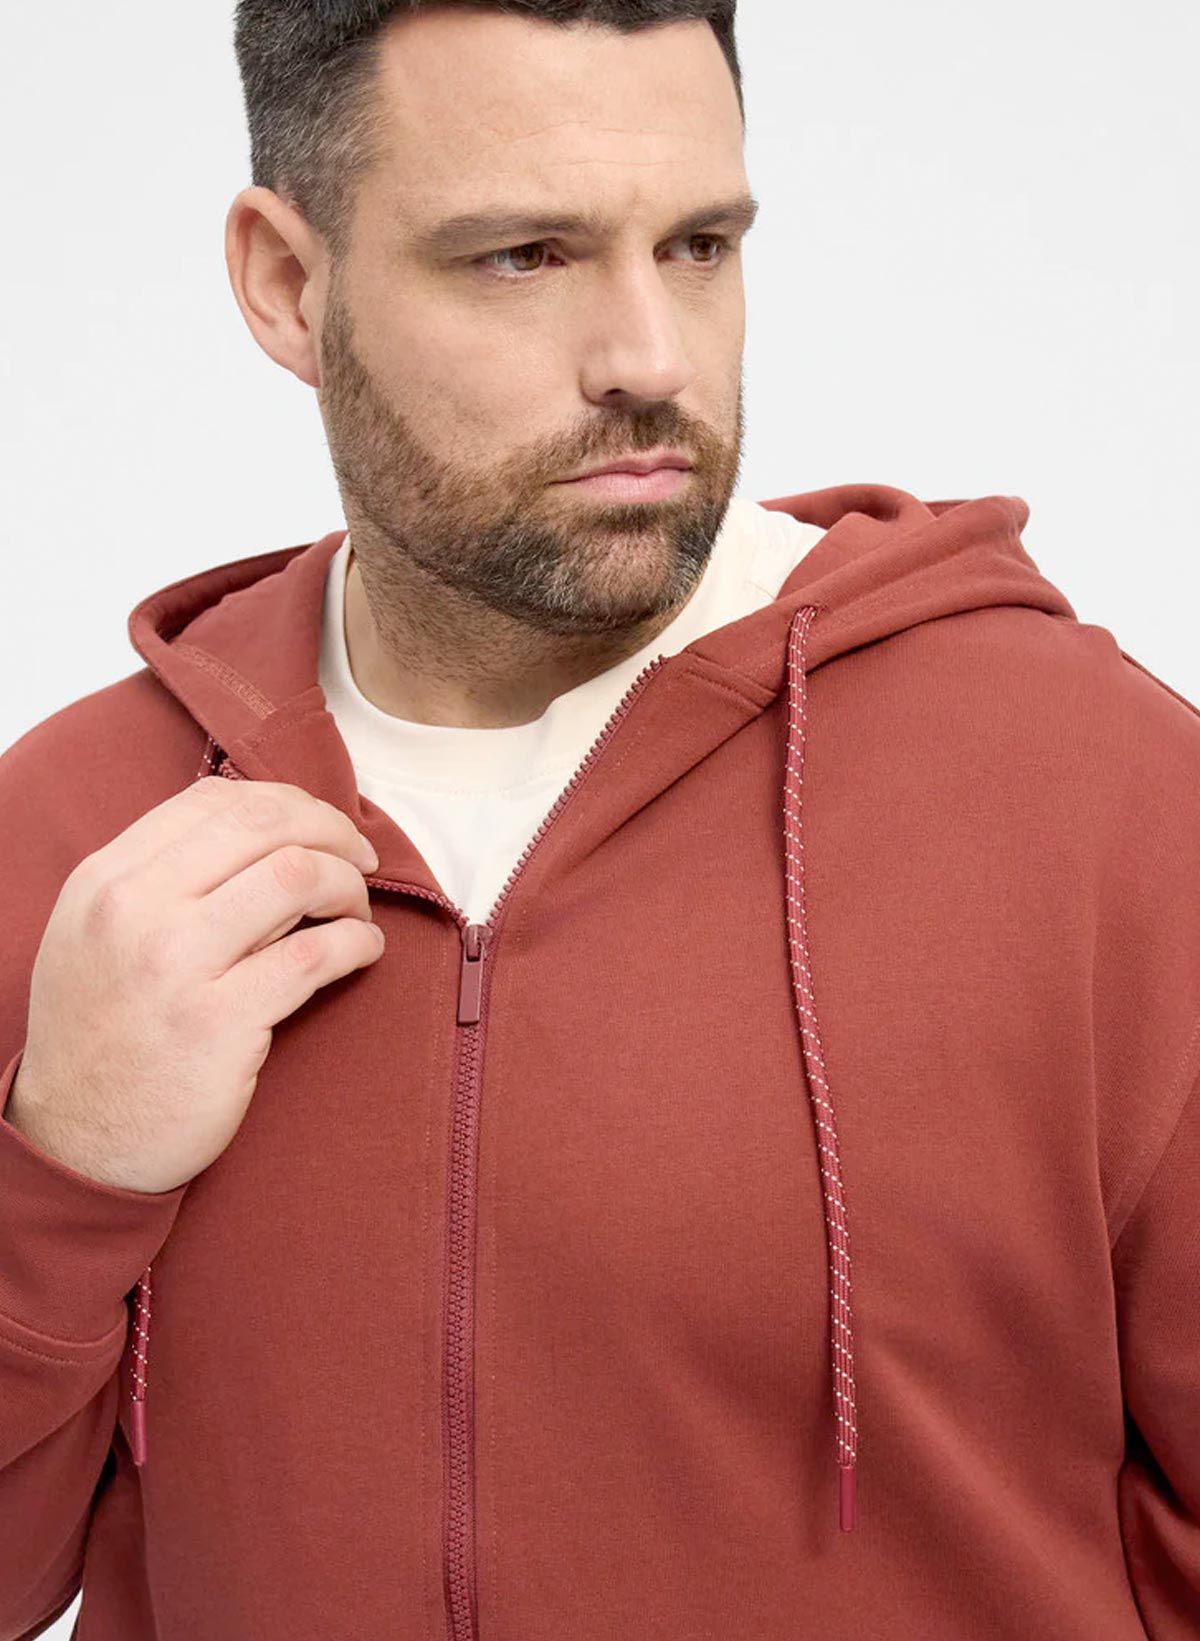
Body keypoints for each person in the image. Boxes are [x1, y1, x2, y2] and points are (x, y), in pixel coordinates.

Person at [0, 2, 1196, 1637]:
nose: (650, 357)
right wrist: (62, 1168)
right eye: (525, 256)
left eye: (698, 246)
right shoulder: (84, 840)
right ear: (286, 283)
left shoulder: (1100, 802)